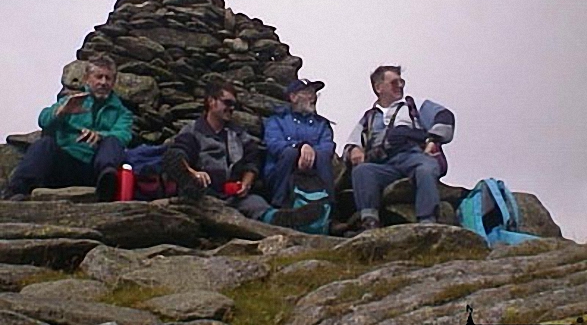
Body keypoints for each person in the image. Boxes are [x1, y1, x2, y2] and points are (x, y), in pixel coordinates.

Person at [163, 80, 322, 229]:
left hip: (235, 196)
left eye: (234, 104)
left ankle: (281, 219)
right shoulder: (193, 131)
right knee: (196, 193)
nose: (231, 108)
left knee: (256, 203)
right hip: (203, 192)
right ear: (211, 102)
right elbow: (180, 153)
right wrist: (194, 174)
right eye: (227, 102)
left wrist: (246, 183)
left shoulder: (239, 134)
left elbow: (252, 160)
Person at [5, 54, 133, 201]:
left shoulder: (122, 113)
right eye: (99, 77)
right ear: (87, 79)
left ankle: (107, 187)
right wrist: (61, 113)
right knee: (45, 144)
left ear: (114, 82)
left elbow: (123, 135)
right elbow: (43, 119)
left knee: (113, 141)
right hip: (65, 164)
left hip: (95, 168)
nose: (103, 82)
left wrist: (100, 136)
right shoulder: (71, 101)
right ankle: (16, 192)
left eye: (108, 78)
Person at [344, 64, 454, 231]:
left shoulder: (414, 105)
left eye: (401, 82)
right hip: (384, 164)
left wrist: (433, 139)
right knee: (362, 171)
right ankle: (369, 221)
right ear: (379, 87)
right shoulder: (370, 117)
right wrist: (354, 150)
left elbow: (445, 116)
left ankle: (427, 222)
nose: (400, 86)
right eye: (394, 82)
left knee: (426, 168)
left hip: (413, 156)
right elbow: (351, 144)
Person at [263, 79, 335, 208]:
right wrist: (299, 148)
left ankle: (329, 209)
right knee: (289, 153)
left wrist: (310, 154)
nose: (312, 98)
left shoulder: (322, 124)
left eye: (314, 94)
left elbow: (328, 145)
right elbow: (273, 144)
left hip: (313, 169)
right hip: (280, 172)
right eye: (307, 93)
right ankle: (279, 205)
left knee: (323, 156)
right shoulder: (277, 120)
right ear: (293, 97)